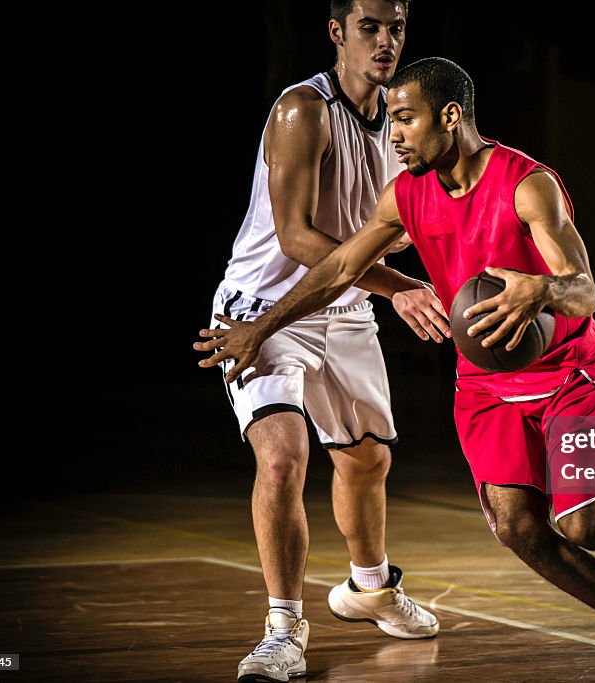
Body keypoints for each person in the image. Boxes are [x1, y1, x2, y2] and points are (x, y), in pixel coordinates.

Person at [196, 57, 595, 683]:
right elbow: (339, 270)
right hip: (484, 385)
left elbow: (586, 292)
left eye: (405, 120)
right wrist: (261, 326)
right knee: (518, 530)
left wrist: (542, 290)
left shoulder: (528, 184)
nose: (393, 136)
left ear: (450, 117)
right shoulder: (405, 194)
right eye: (390, 121)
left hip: (570, 371)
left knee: (583, 521)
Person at [204, 4, 446, 682]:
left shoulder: (405, 124)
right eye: (370, 26)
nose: (386, 41)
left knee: (367, 461)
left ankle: (368, 588)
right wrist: (400, 285)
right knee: (283, 459)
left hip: (345, 307)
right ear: (337, 32)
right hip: (266, 309)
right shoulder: (301, 110)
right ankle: (283, 628)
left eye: (397, 27)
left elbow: (398, 221)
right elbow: (299, 238)